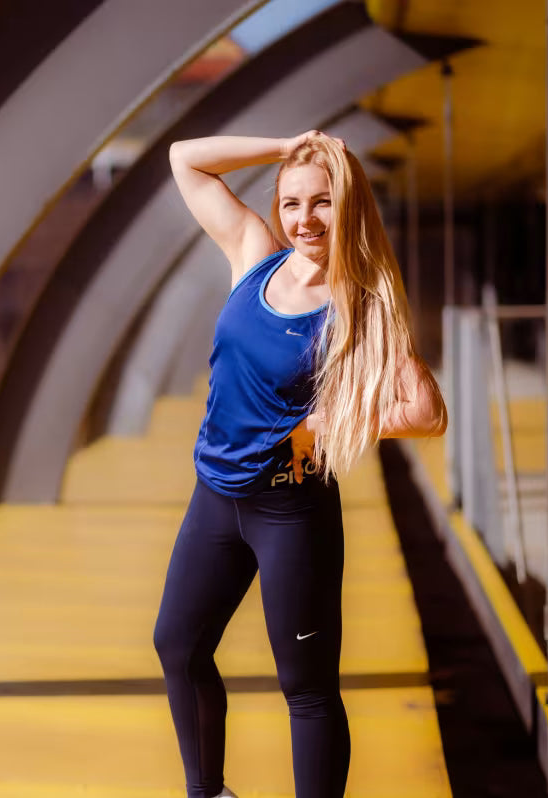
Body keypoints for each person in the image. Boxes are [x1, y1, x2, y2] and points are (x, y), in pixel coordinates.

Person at [152, 130, 447, 798]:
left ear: (348, 207)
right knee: (179, 646)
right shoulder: (255, 255)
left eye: (322, 202)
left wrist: (326, 424)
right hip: (216, 495)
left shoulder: (360, 304)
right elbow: (183, 158)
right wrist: (289, 144)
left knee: (306, 688)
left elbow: (426, 410)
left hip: (291, 509)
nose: (304, 219)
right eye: (291, 202)